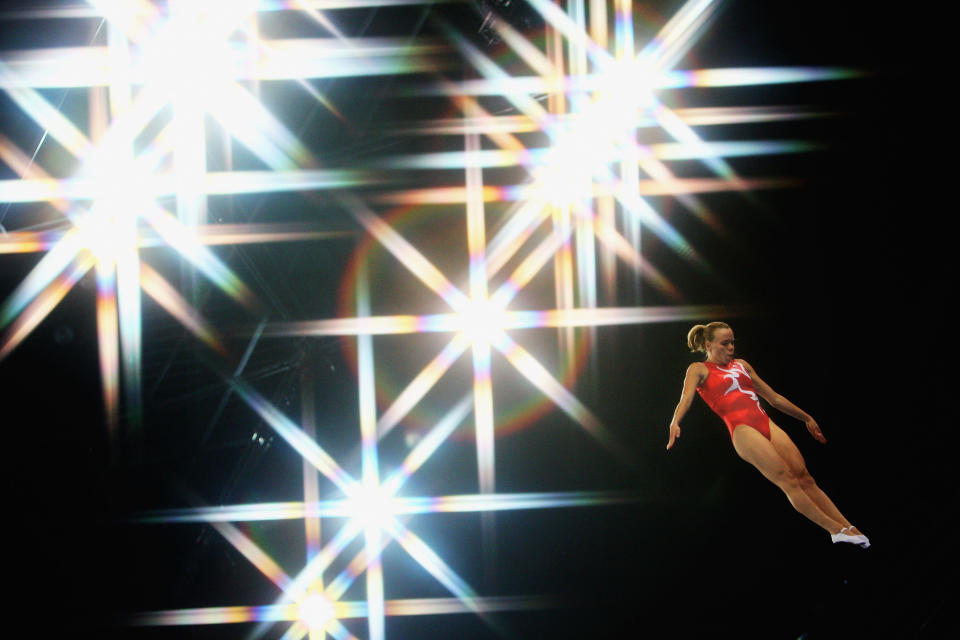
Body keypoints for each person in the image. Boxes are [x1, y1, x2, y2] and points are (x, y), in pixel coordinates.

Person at [667, 321, 869, 548]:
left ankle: (849, 527)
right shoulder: (699, 369)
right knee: (787, 479)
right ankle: (835, 530)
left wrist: (806, 418)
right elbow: (685, 399)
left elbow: (774, 398)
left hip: (764, 421)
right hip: (742, 429)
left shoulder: (742, 365)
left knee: (805, 477)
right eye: (725, 343)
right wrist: (675, 421)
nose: (731, 347)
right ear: (708, 344)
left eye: (733, 342)